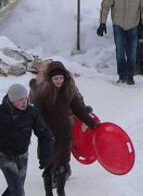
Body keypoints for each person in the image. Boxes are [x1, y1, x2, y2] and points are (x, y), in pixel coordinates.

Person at [32, 61, 100, 196]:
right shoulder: (42, 94)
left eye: (61, 78)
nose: (59, 81)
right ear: (50, 79)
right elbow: (37, 116)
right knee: (50, 166)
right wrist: (45, 132)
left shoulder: (69, 91)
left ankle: (61, 191)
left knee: (63, 165)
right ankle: (48, 193)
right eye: (56, 78)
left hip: (64, 133)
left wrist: (93, 124)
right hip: (49, 135)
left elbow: (79, 110)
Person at [0, 84, 53, 196]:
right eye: (20, 100)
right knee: (18, 192)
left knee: (14, 187)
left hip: (22, 155)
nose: (24, 102)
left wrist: (46, 155)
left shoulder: (32, 112)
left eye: (25, 98)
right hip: (4, 156)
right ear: (11, 100)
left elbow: (44, 134)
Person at [97, 0, 143, 84]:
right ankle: (122, 76)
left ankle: (130, 76)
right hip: (118, 26)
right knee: (120, 51)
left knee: (132, 53)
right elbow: (105, 6)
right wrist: (102, 23)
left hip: (133, 26)